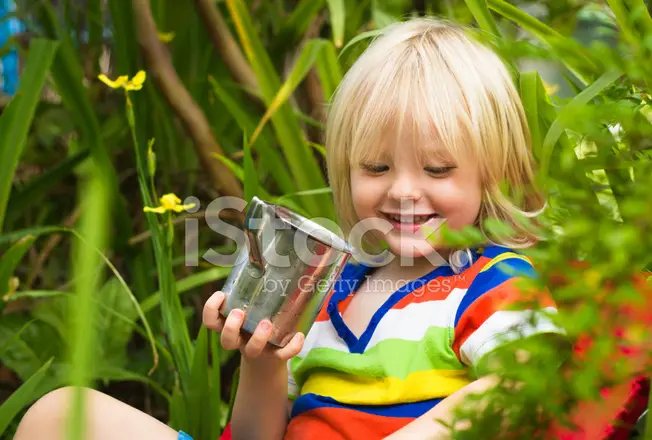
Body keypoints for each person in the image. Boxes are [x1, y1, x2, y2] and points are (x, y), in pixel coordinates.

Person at [13, 16, 568, 440]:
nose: (402, 190)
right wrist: (264, 362)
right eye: (376, 168)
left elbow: (525, 386)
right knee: (56, 413)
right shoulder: (328, 291)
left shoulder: (492, 282)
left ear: (492, 173)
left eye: (437, 169)